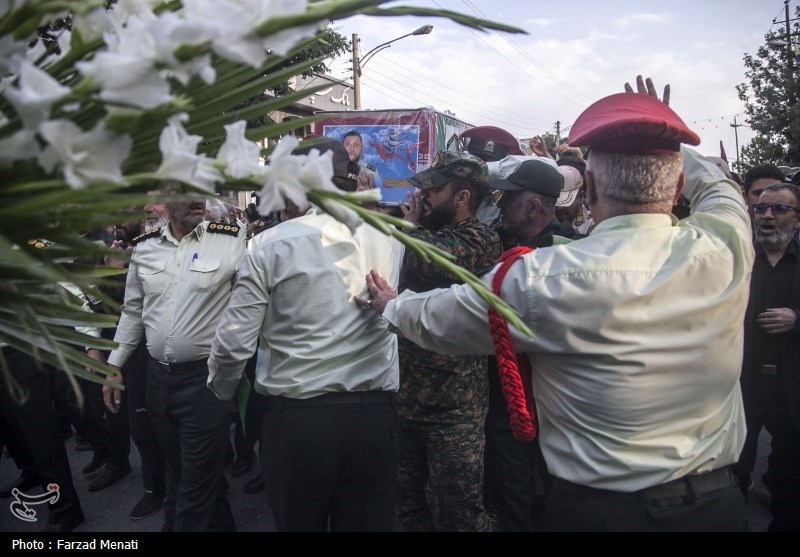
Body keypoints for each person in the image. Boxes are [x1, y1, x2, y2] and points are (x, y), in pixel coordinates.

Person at [359, 76, 753, 532]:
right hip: (714, 508)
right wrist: (662, 133)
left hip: (597, 514)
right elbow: (720, 189)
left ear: (588, 187)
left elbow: (435, 318)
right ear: (679, 181)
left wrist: (390, 303)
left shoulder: (539, 278)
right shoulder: (725, 247)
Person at [207, 137, 404, 532]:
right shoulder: (390, 237)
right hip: (372, 418)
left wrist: (224, 392)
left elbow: (234, 342)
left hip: (298, 425)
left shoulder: (267, 245)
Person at [103, 182, 245, 532]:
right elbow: (134, 311)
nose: (198, 200)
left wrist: (231, 376)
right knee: (184, 473)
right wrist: (114, 363)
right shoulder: (145, 248)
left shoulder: (232, 240)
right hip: (157, 380)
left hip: (205, 381)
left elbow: (248, 310)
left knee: (193, 487)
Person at [393, 151, 500, 532]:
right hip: (406, 399)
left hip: (455, 411)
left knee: (459, 515)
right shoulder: (420, 231)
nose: (424, 198)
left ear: (463, 198)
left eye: (434, 190)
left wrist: (408, 226)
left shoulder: (482, 239)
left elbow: (432, 260)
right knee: (406, 508)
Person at [732, 183, 800, 532]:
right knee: (734, 472)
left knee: (789, 479)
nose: (767, 216)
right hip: (743, 384)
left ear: (798, 219)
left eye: (779, 209)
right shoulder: (737, 258)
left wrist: (797, 318)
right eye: (760, 209)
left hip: (791, 390)